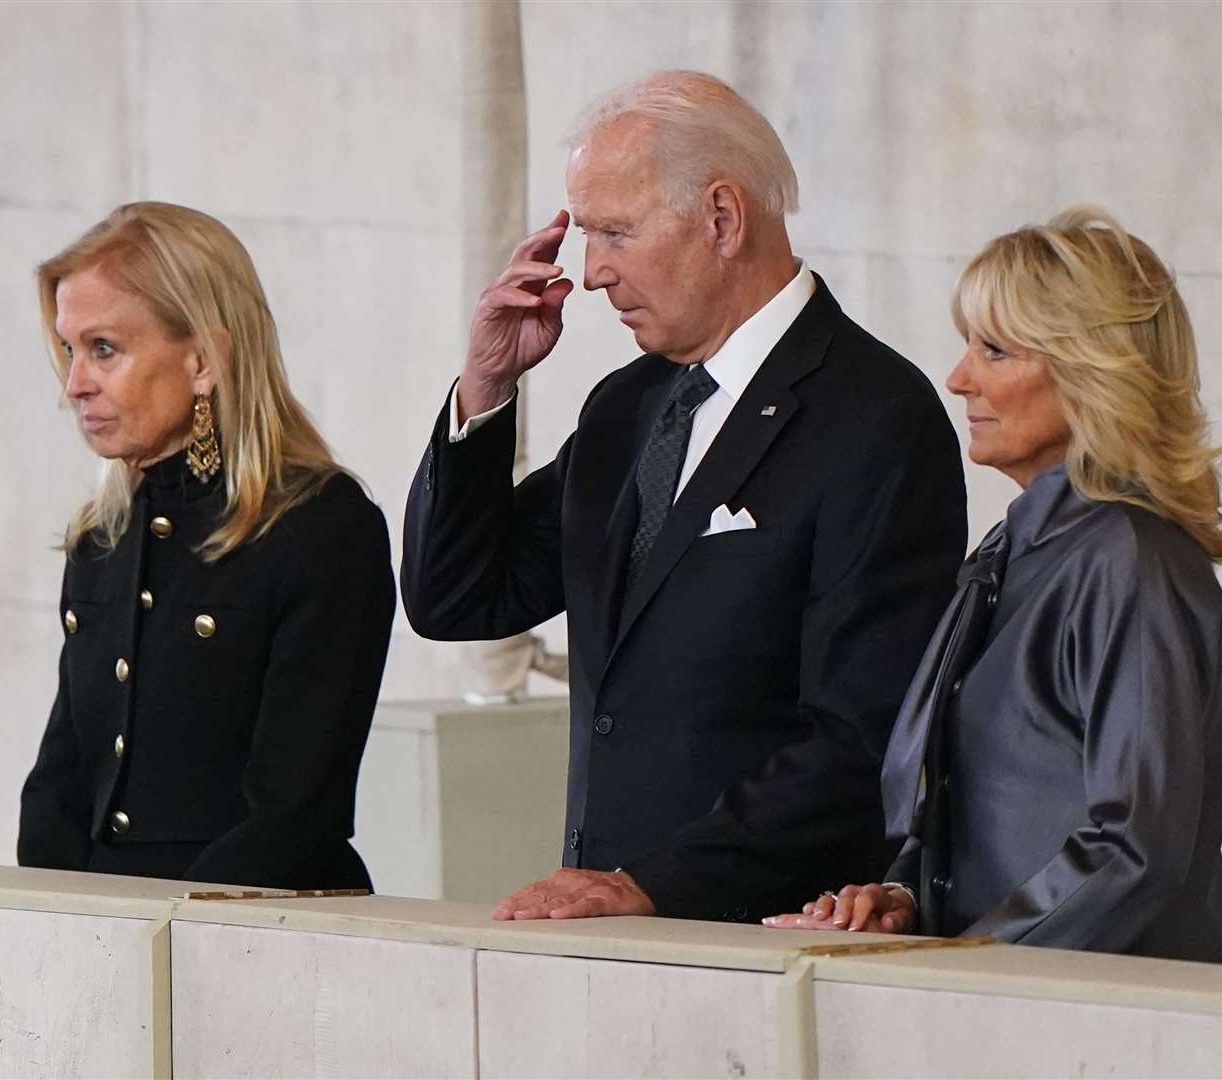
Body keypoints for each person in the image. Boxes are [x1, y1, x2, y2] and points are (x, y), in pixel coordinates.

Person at [401, 71, 967, 922]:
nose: (590, 275)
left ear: (722, 218)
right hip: (606, 925)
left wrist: (653, 884)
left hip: (771, 935)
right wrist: (485, 389)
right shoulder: (628, 406)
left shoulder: (876, 416)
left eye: (615, 233)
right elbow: (460, 597)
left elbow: (857, 737)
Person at [765, 208, 1222, 962]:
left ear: (1091, 370)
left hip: (1104, 1024)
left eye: (995, 350)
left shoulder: (1128, 559)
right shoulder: (1013, 548)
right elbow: (980, 815)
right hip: (1009, 1005)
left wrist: (967, 958)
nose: (958, 379)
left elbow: (1135, 848)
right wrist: (903, 898)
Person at [18, 202, 394, 890]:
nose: (75, 383)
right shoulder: (102, 536)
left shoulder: (319, 525)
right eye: (70, 350)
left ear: (202, 361)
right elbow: (62, 780)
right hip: (112, 925)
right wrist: (54, 920)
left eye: (104, 349)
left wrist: (174, 932)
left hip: (260, 923)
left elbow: (296, 808)